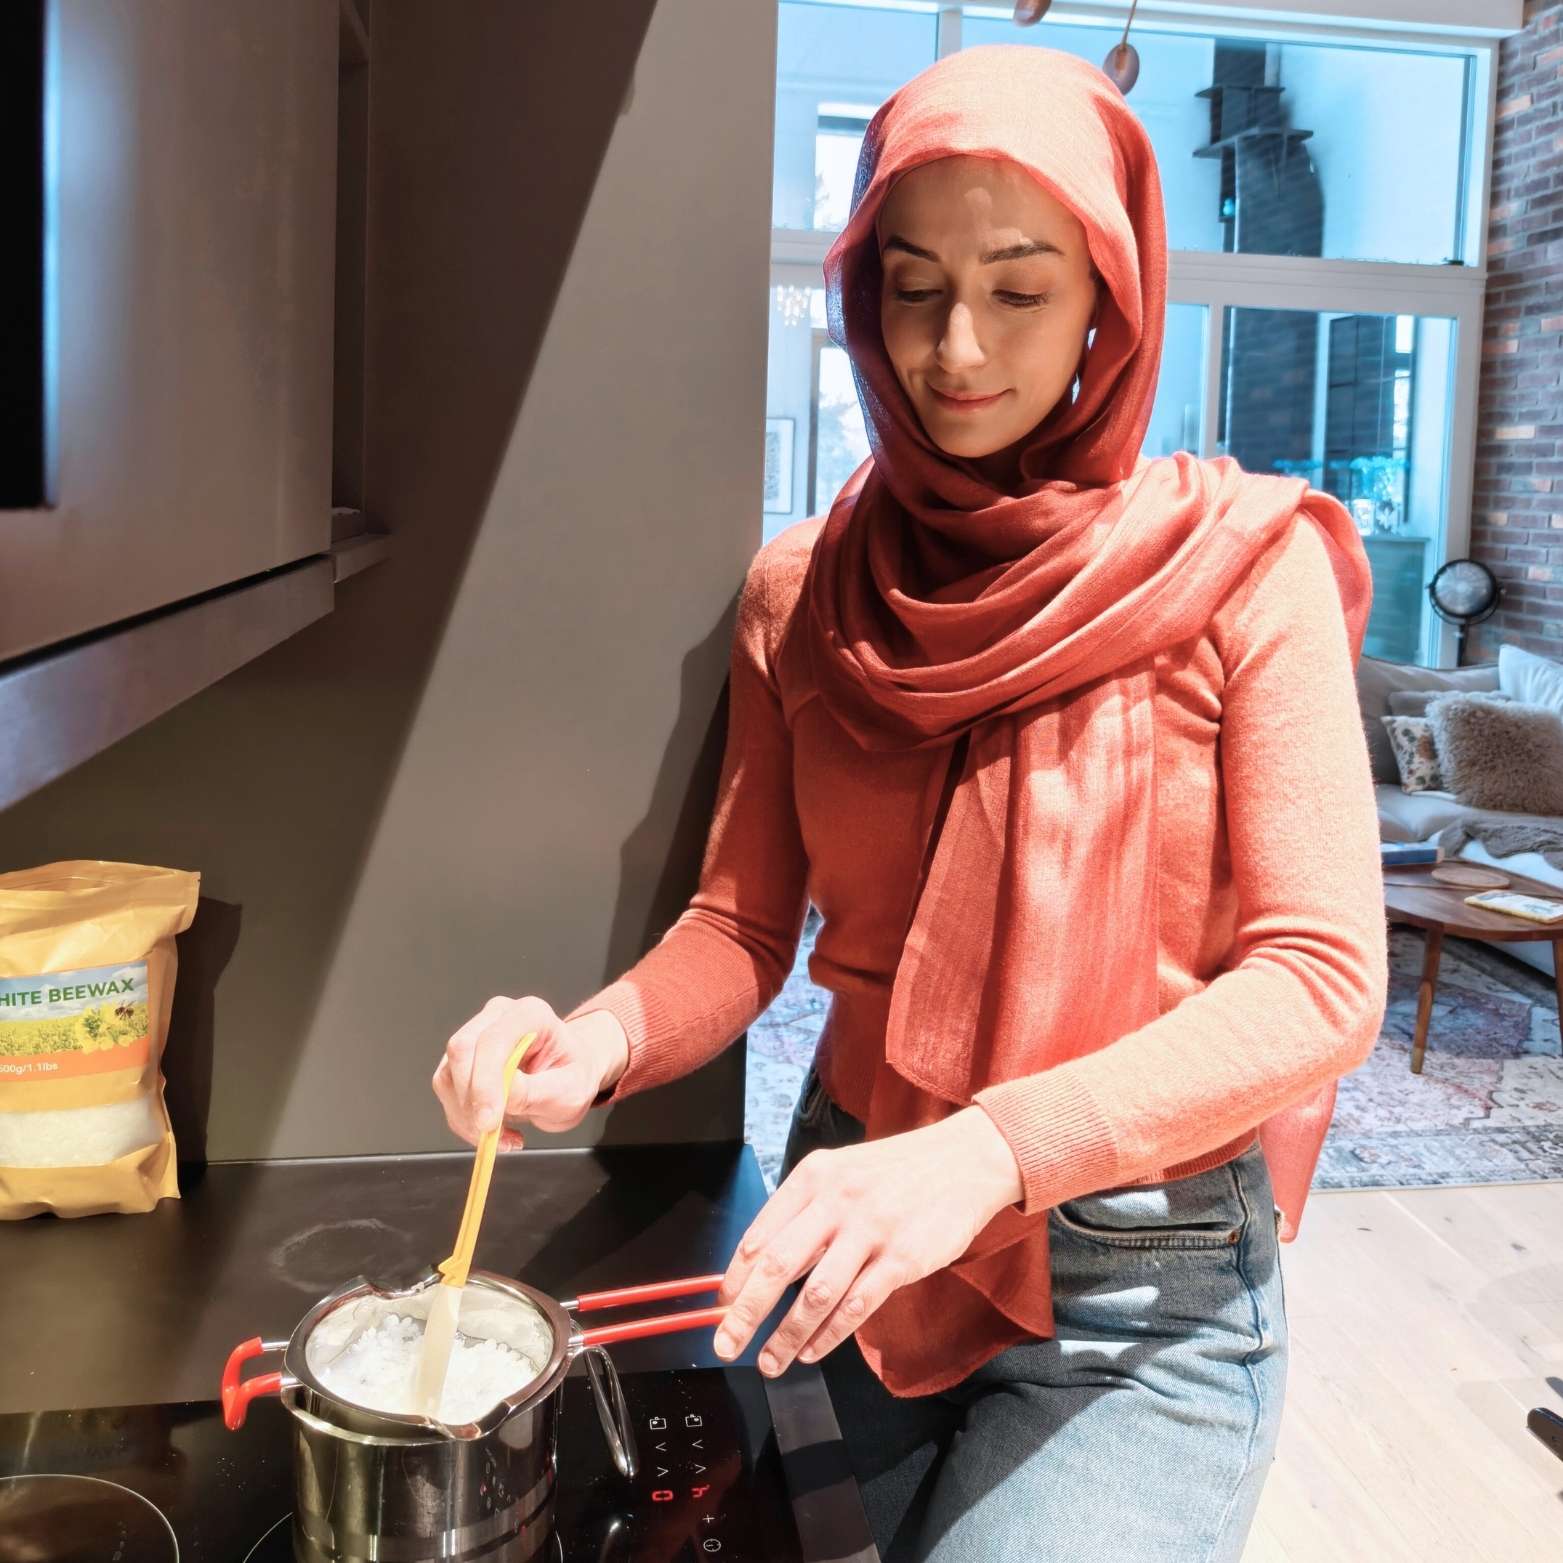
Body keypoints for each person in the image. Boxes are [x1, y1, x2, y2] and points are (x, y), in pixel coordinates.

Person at [432, 43, 1388, 1563]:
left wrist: (987, 1155)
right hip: (849, 1231)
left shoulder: (1244, 568)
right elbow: (743, 923)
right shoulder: (801, 592)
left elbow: (1321, 981)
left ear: (1110, 298)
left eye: (1019, 289)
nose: (956, 347)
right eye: (911, 283)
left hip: (1141, 1291)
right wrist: (590, 1039)